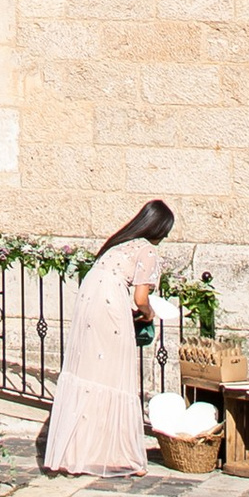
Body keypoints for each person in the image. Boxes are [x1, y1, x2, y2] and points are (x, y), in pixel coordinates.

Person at [41, 200, 175, 476]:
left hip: (90, 298)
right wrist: (149, 314)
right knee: (115, 373)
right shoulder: (147, 250)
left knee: (89, 371)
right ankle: (119, 452)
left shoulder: (121, 243)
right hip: (110, 302)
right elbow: (140, 299)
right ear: (159, 228)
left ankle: (78, 451)